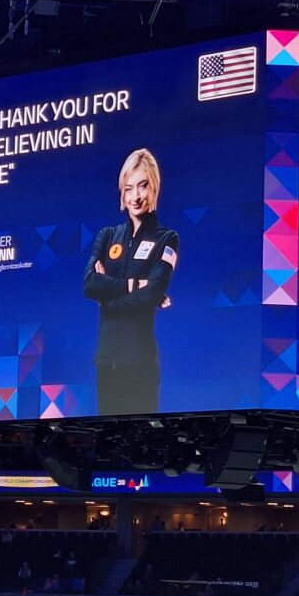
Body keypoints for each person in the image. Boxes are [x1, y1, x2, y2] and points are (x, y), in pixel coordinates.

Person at [84, 148, 179, 415]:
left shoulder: (167, 239)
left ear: (154, 188)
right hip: (106, 361)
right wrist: (135, 285)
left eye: (143, 186)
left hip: (140, 363)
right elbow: (90, 284)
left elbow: (152, 294)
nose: (136, 196)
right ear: (122, 193)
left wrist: (108, 300)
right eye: (129, 188)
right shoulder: (107, 235)